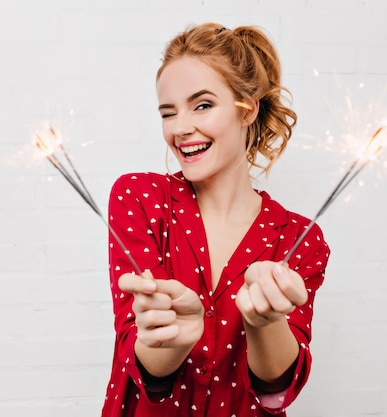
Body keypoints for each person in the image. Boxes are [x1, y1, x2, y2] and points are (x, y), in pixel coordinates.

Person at [102, 22, 330, 417]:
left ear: (248, 109)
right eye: (167, 112)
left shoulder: (299, 238)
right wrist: (173, 338)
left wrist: (265, 322)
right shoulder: (139, 198)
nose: (180, 128)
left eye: (202, 105)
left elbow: (277, 389)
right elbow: (142, 369)